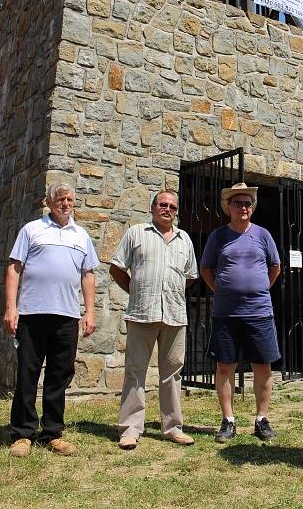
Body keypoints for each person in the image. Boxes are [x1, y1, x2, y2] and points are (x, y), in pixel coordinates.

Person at [3, 183, 99, 457]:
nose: (65, 203)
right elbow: (14, 268)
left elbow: (88, 275)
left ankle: (53, 433)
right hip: (32, 314)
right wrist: (11, 307)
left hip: (67, 316)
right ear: (49, 202)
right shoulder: (32, 230)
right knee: (28, 373)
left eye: (70, 199)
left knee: (59, 376)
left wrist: (89, 311)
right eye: (60, 199)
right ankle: (22, 434)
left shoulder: (81, 236)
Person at [110, 190, 198, 449]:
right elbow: (116, 268)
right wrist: (136, 290)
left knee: (172, 373)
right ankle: (130, 428)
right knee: (135, 371)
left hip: (174, 315)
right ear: (152, 207)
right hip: (141, 313)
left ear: (176, 211)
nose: (167, 209)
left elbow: (190, 276)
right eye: (162, 204)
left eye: (172, 206)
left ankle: (172, 427)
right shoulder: (136, 233)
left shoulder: (184, 239)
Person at [200, 183, 281, 443]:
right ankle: (228, 421)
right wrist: (223, 290)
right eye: (238, 203)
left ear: (252, 208)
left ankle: (261, 419)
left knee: (263, 366)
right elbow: (206, 270)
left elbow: (275, 267)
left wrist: (258, 288)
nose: (243, 207)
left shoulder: (263, 235)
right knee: (225, 367)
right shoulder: (218, 237)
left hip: (259, 312)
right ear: (229, 208)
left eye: (247, 203)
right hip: (226, 313)